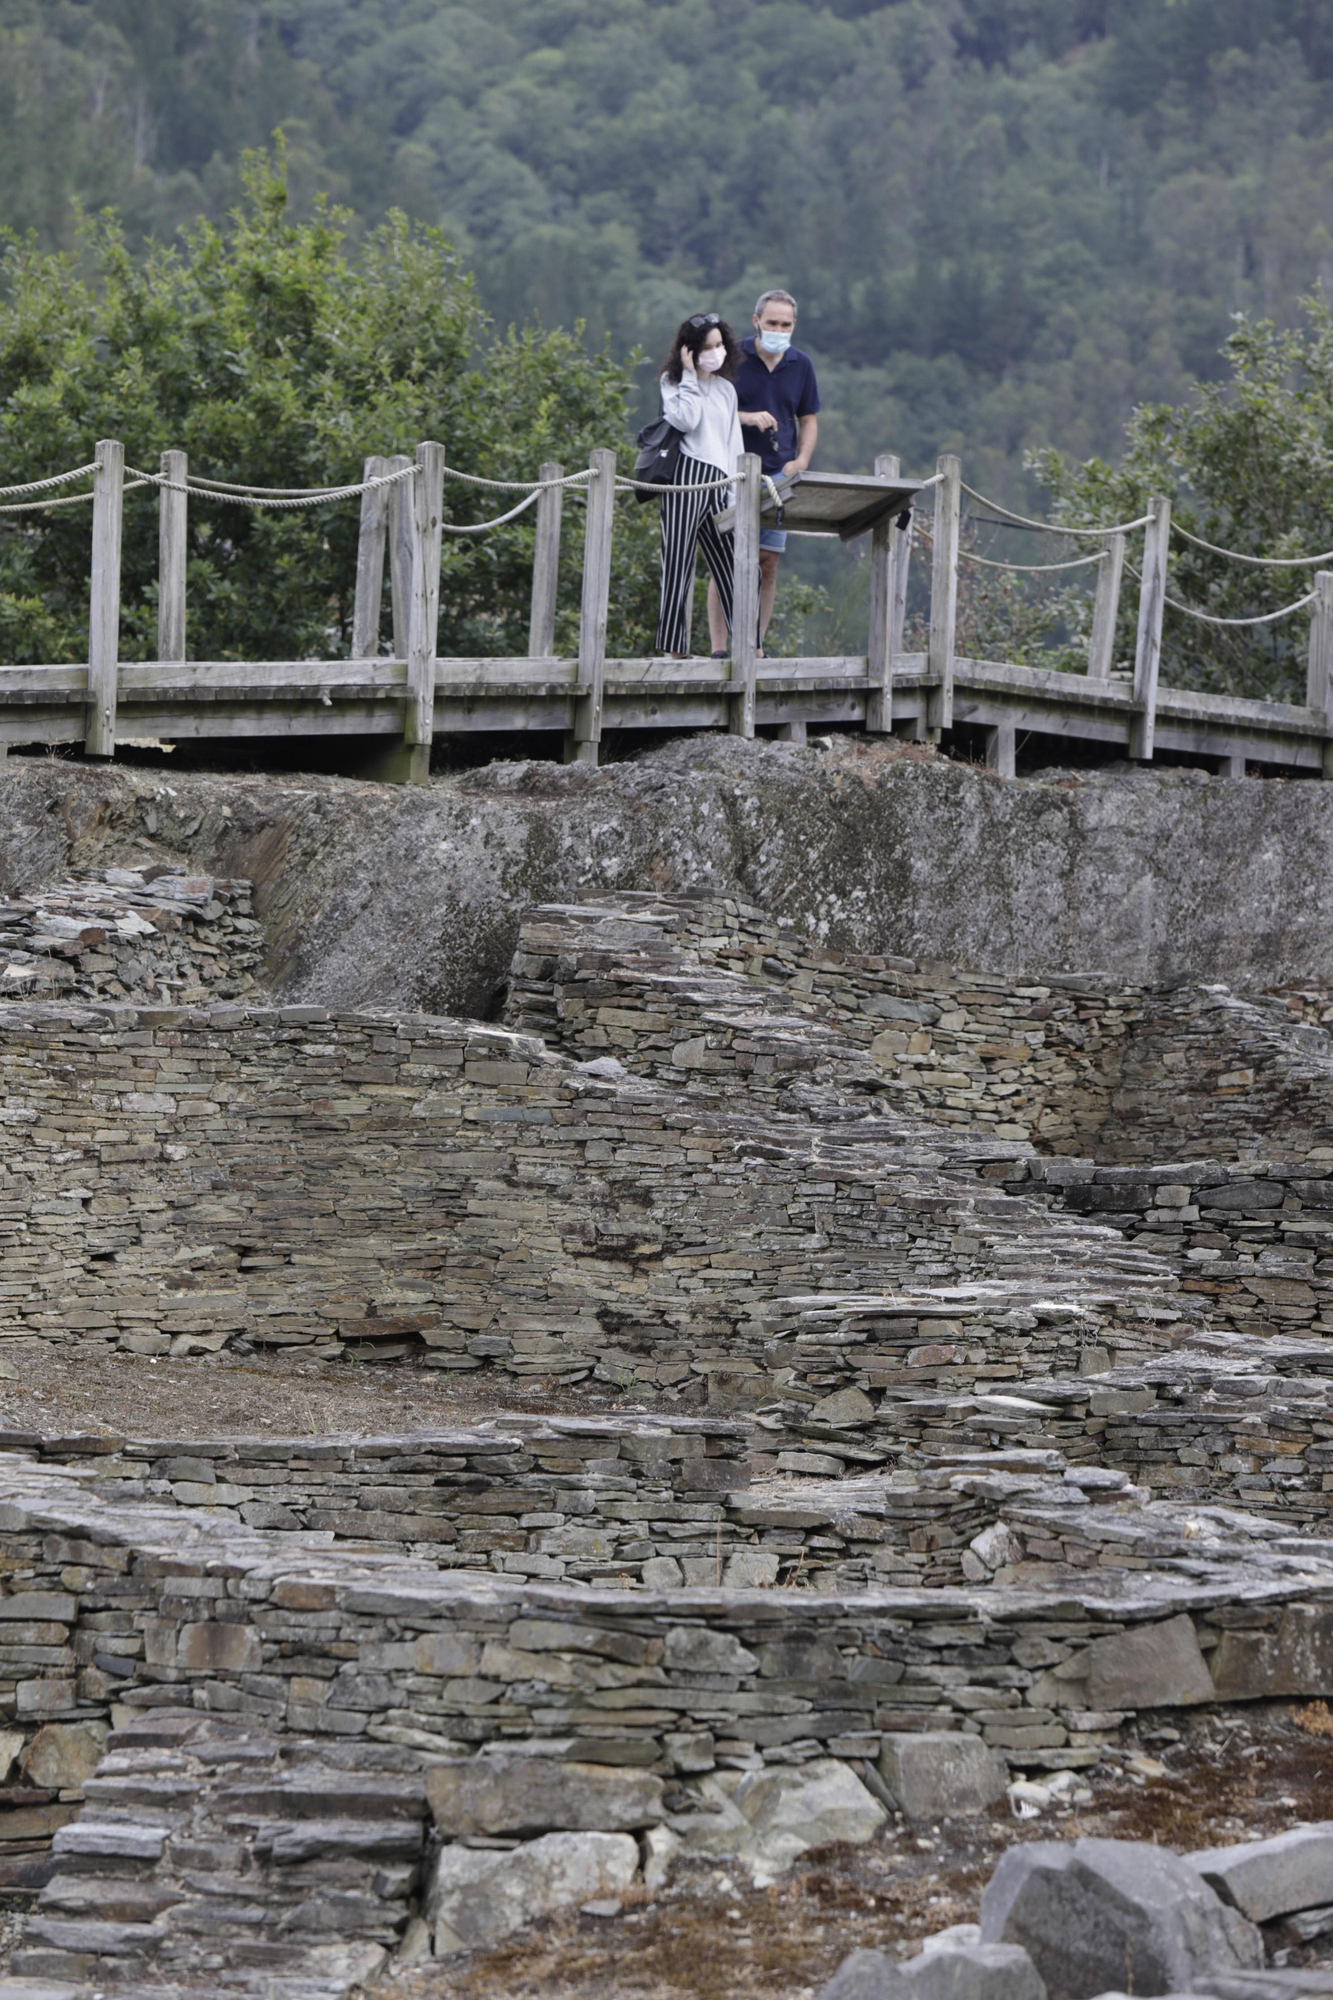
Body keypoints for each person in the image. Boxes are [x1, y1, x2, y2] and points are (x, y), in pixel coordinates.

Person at [708, 287, 820, 651]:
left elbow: (809, 419)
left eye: (786, 324)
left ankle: (755, 643)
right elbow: (708, 409)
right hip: (731, 471)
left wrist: (801, 462)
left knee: (767, 563)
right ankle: (720, 646)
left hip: (778, 475)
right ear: (756, 321)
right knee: (727, 558)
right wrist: (746, 417)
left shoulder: (800, 364)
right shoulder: (731, 358)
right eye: (772, 322)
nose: (779, 329)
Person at [654, 312, 743, 659]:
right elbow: (686, 419)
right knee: (677, 559)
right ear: (689, 351)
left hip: (721, 480)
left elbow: (734, 443)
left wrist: (735, 492)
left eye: (720, 345)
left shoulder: (727, 390)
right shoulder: (671, 382)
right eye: (708, 347)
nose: (716, 352)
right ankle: (674, 648)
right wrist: (689, 375)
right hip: (686, 477)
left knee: (733, 562)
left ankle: (750, 644)